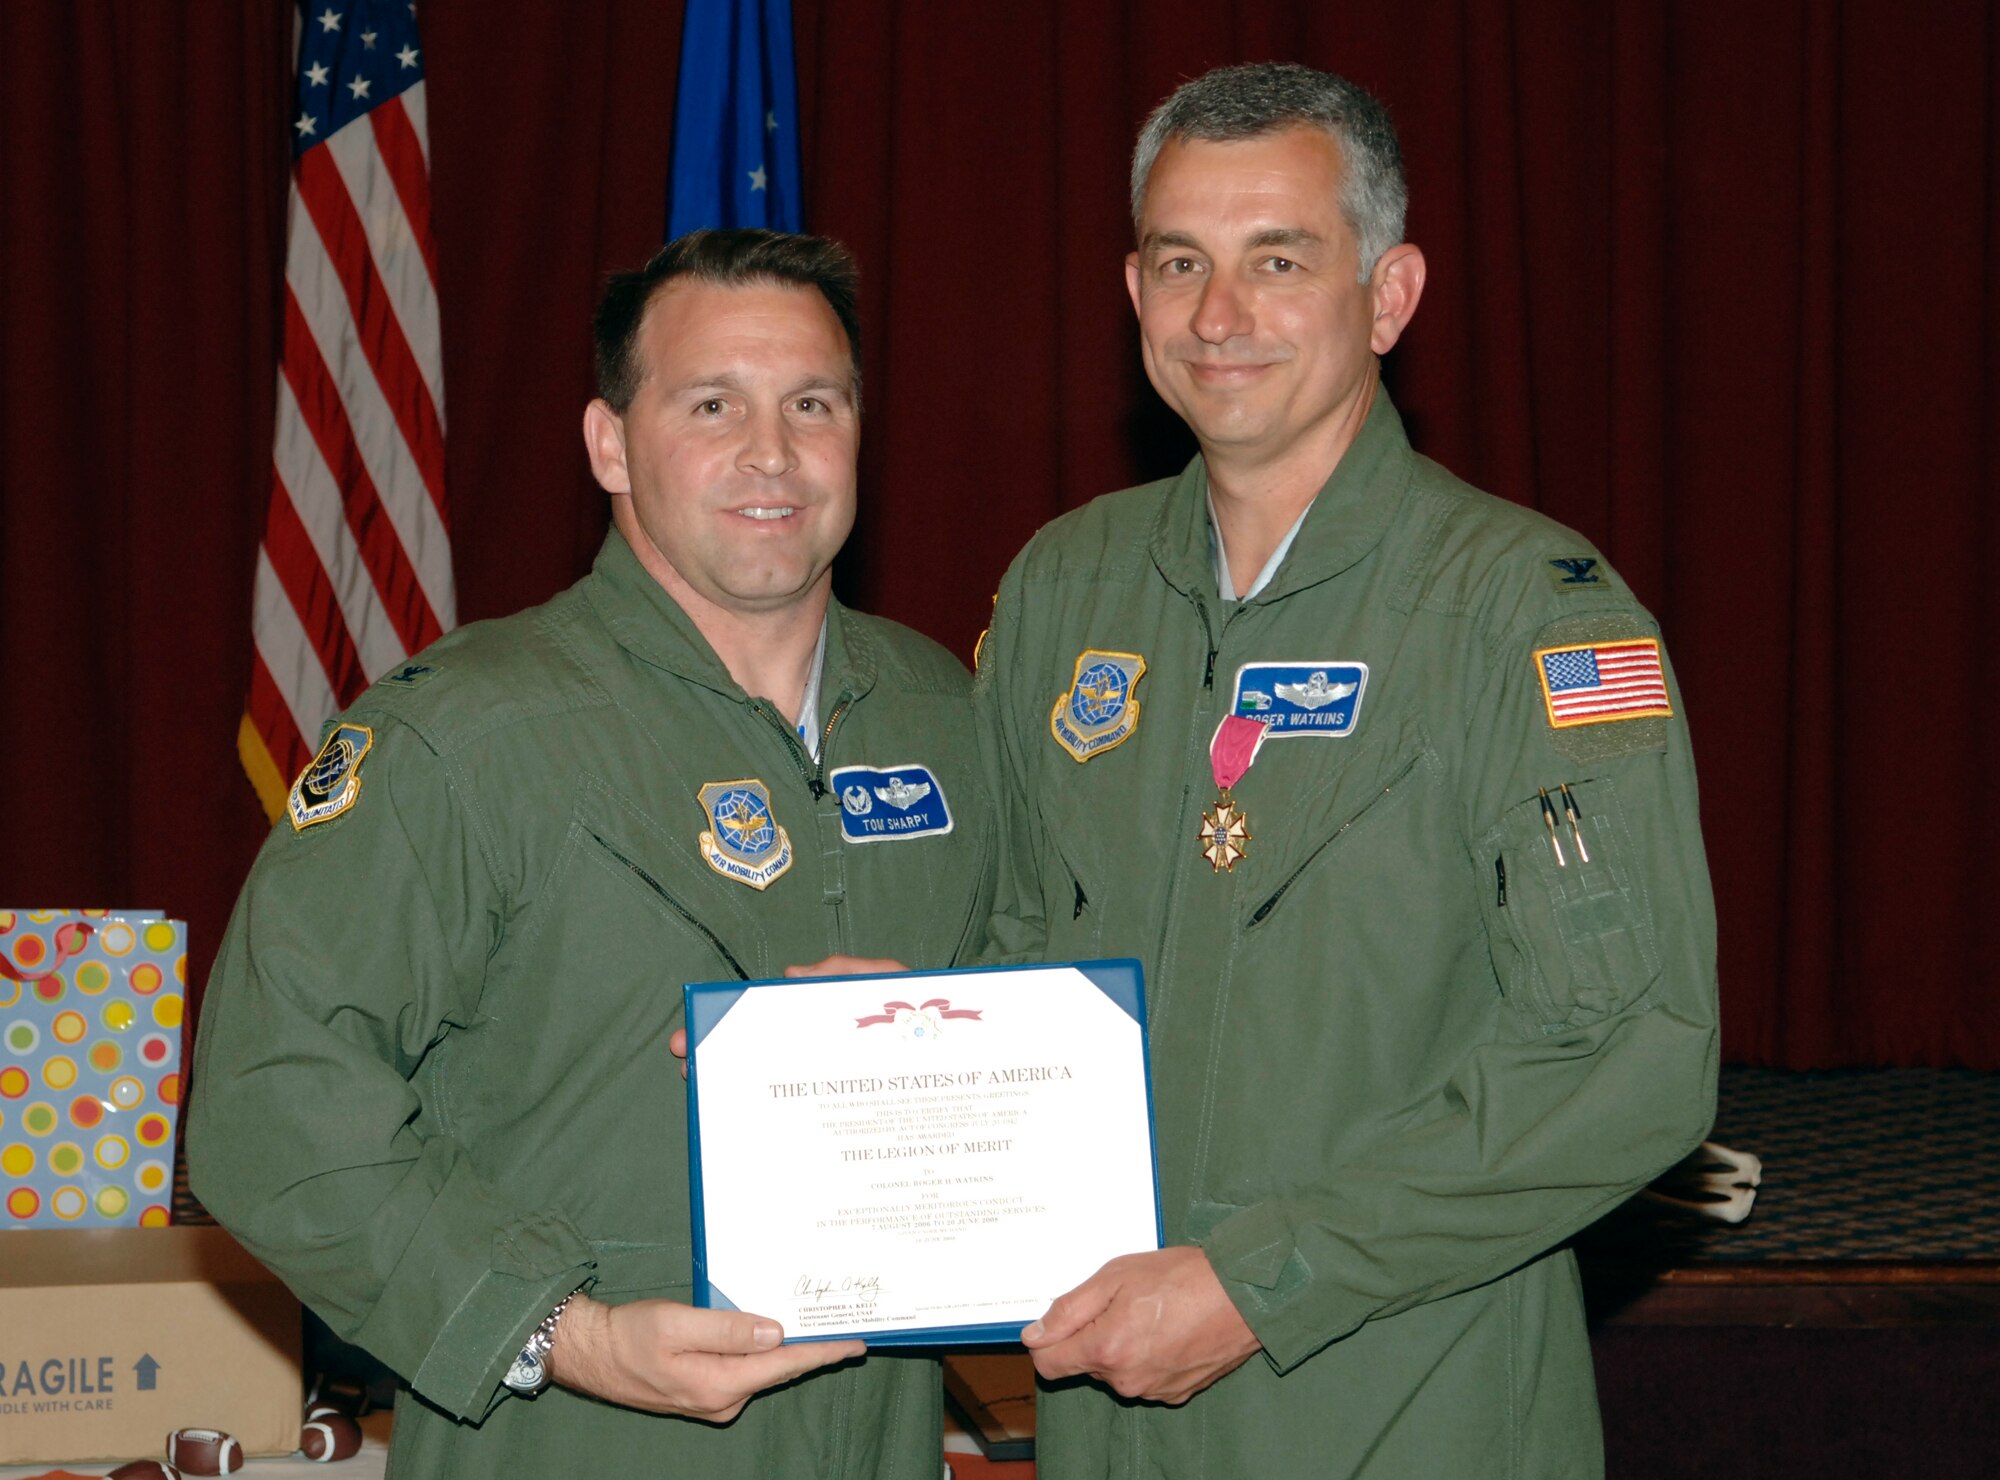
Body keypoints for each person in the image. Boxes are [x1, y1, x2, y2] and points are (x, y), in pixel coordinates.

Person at [973, 63, 1719, 1476]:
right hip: (1109, 1406)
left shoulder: (1533, 614)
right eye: (1182, 262)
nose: (1220, 316)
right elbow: (1008, 948)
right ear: (1133, 291)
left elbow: (1632, 1055)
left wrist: (1264, 1283)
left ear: (1389, 296)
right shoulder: (1067, 589)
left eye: (1280, 261)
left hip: (1399, 1401)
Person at [187, 229, 993, 1477]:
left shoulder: (950, 717)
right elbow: (266, 1100)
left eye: (813, 404)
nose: (771, 452)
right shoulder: (463, 732)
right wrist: (561, 1330)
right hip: (573, 1442)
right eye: (711, 403)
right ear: (610, 442)